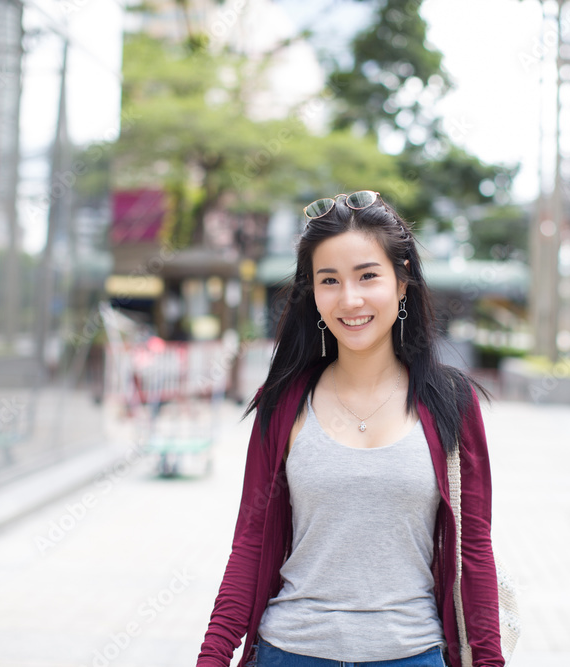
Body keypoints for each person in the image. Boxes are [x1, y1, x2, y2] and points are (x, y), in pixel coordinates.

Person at [197, 190, 504, 667]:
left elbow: (474, 550)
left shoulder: (451, 403)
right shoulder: (283, 403)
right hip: (290, 652)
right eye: (329, 280)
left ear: (402, 283)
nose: (350, 298)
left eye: (367, 276)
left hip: (412, 654)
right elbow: (251, 542)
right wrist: (212, 656)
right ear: (313, 293)